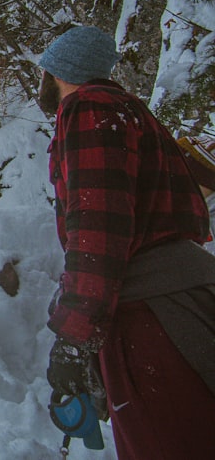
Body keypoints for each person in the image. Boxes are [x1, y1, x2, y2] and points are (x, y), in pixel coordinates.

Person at [37, 25, 215, 459]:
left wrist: (76, 336)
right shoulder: (134, 113)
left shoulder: (89, 107)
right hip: (186, 300)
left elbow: (98, 229)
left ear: (59, 71)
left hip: (152, 315)